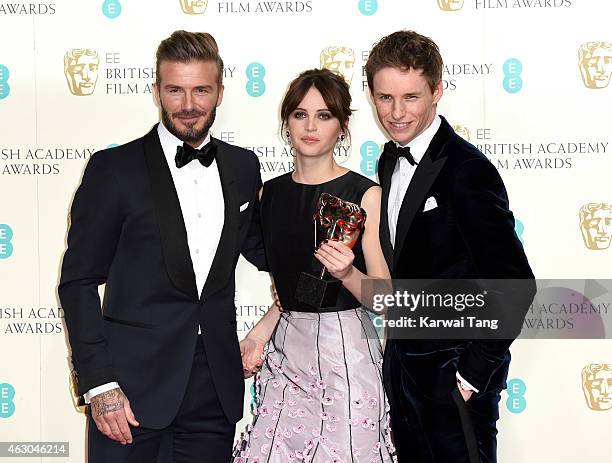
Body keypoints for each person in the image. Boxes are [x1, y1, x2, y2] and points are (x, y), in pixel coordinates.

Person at [58, 30, 267, 462]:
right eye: (175, 90)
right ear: (156, 91)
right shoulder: (113, 170)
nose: (188, 105)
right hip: (128, 396)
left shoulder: (244, 167)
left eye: (201, 90)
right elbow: (78, 282)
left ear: (220, 93)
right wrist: (100, 384)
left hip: (215, 393)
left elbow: (269, 252)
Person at [365, 31, 536, 462]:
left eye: (411, 97)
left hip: (454, 381)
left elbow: (515, 285)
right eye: (385, 97)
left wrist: (470, 375)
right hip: (404, 374)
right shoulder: (389, 160)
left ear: (437, 91)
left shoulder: (467, 170)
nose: (396, 112)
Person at [233, 68, 396, 462]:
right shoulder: (268, 195)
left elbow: (387, 301)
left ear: (342, 127)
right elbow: (296, 287)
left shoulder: (364, 194)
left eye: (324, 116)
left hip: (346, 356)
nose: (310, 126)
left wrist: (348, 273)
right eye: (300, 114)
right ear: (286, 122)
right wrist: (259, 333)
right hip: (288, 354)